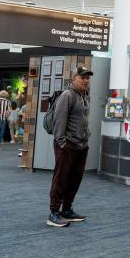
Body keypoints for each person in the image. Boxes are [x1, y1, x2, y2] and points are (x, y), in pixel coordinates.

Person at [47, 66, 93, 228]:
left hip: (81, 145)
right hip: (67, 145)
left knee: (75, 179)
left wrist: (86, 139)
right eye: (82, 77)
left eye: (87, 77)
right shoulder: (68, 95)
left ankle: (67, 209)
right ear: (73, 79)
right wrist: (62, 143)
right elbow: (59, 121)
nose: (86, 80)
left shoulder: (85, 95)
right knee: (61, 178)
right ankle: (53, 213)